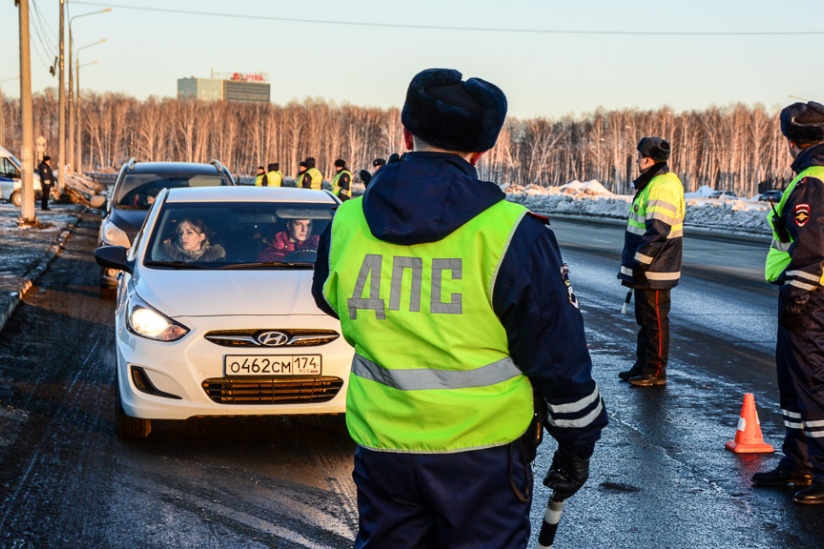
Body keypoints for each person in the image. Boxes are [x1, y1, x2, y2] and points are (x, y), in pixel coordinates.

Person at [311, 68, 606, 547]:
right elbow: (557, 353)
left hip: (383, 448)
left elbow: (328, 298)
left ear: (407, 134)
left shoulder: (347, 220)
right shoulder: (511, 232)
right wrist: (578, 441)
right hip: (483, 459)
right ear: (481, 151)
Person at [752, 101, 824, 504]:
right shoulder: (813, 177)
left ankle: (819, 470)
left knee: (811, 383)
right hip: (809, 294)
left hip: (809, 296)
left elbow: (812, 246)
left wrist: (797, 293)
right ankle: (798, 462)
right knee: (795, 381)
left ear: (791, 140)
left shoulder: (812, 179)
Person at [616, 137, 685, 387]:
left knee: (655, 321)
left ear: (648, 159)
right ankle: (643, 365)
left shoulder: (661, 185)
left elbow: (658, 230)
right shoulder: (654, 183)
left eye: (638, 157)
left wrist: (641, 261)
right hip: (649, 267)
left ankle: (655, 371)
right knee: (645, 319)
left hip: (655, 268)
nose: (636, 161)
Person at [157, 217, 225, 262]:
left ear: (201, 237)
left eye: (189, 232)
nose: (183, 237)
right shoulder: (164, 256)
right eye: (180, 233)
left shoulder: (215, 258)